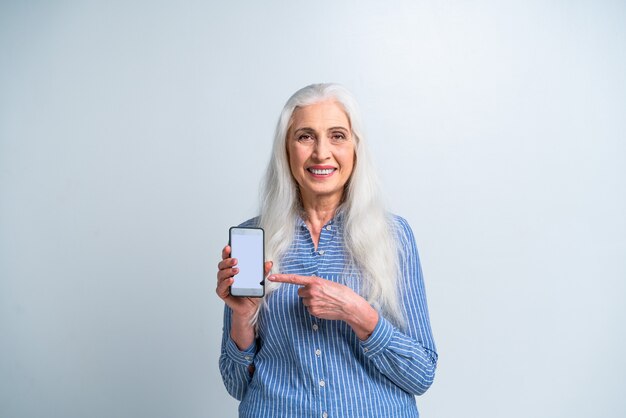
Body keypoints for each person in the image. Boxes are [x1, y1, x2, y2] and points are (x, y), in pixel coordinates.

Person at [216, 83, 437, 418]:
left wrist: (356, 312)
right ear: (286, 149)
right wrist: (243, 317)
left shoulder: (393, 236)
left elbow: (421, 373)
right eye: (305, 136)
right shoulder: (253, 238)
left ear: (355, 148)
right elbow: (236, 386)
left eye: (337, 135)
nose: (321, 152)